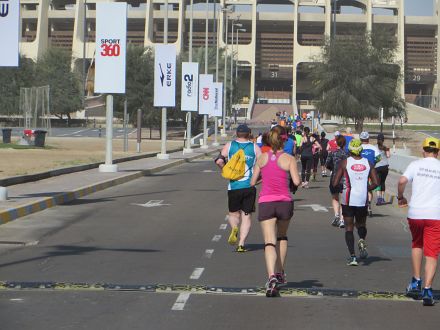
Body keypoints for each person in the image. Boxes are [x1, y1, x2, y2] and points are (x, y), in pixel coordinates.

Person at [251, 125, 301, 297]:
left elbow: (252, 182)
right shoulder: (289, 159)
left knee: (269, 242)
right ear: (284, 141)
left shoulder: (262, 158)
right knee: (282, 236)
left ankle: (271, 276)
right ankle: (280, 272)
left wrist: (264, 178)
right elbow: (296, 181)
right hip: (284, 202)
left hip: (266, 202)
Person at [397, 137, 440, 306]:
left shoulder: (415, 165)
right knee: (432, 253)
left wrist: (400, 197)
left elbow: (401, 181)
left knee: (417, 244)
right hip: (435, 215)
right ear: (438, 152)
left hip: (415, 213)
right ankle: (428, 290)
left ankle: (416, 281)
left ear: (423, 151)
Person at [332, 139, 379, 266]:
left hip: (348, 199)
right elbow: (376, 182)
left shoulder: (345, 163)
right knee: (361, 224)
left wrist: (342, 187)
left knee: (349, 227)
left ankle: (353, 257)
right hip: (362, 199)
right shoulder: (368, 163)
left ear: (350, 150)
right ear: (361, 150)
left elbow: (335, 183)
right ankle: (362, 239)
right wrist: (366, 188)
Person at [215, 124, 261, 252]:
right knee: (246, 215)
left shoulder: (230, 146)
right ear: (249, 134)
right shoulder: (254, 147)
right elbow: (262, 164)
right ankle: (241, 244)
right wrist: (259, 178)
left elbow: (219, 160)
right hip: (249, 186)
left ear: (236, 133)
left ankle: (234, 227)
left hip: (234, 186)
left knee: (233, 213)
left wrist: (226, 170)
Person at [325, 135, 348, 228]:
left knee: (335, 198)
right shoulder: (348, 154)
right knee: (344, 200)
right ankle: (342, 220)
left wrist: (333, 169)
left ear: (336, 143)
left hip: (334, 178)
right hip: (345, 179)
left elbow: (327, 164)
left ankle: (336, 216)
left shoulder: (332, 153)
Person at [359, 131, 381, 216]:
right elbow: (379, 158)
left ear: (360, 139)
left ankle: (361, 205)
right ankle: (369, 205)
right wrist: (373, 163)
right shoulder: (373, 148)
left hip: (360, 170)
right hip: (371, 170)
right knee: (369, 188)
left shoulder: (358, 147)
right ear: (368, 138)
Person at [375, 133, 390, 205]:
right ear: (383, 140)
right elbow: (388, 156)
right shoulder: (385, 147)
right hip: (385, 167)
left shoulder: (374, 147)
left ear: (377, 140)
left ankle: (378, 198)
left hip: (377, 167)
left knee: (378, 182)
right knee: (383, 182)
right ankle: (382, 198)